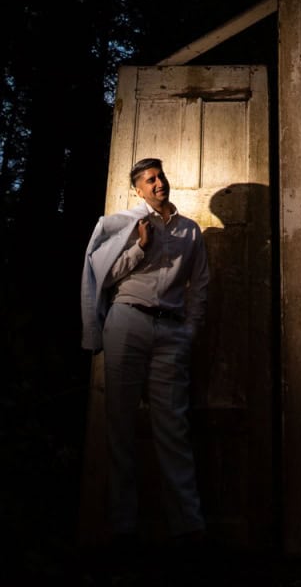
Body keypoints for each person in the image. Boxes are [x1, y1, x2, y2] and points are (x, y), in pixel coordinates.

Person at [81, 157, 208, 550]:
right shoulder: (127, 224)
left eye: (161, 177)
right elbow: (106, 275)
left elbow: (200, 285)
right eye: (150, 180)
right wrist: (140, 247)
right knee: (120, 424)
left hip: (170, 330)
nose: (158, 184)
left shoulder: (190, 231)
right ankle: (122, 528)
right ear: (138, 189)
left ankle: (188, 528)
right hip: (128, 321)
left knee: (173, 427)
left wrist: (189, 331)